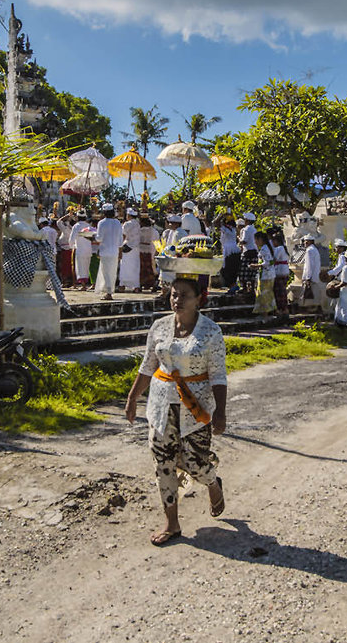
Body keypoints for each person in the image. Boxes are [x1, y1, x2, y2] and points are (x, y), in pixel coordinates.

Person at [124, 276, 227, 546]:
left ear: (199, 299)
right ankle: (172, 523)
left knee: (194, 463)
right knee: (163, 462)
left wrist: (220, 412)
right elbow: (148, 365)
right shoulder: (159, 327)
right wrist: (133, 397)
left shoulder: (211, 332)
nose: (177, 300)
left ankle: (213, 483)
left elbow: (218, 375)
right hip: (159, 405)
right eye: (173, 294)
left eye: (184, 295)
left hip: (196, 408)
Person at [94, 203, 123, 300]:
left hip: (105, 251)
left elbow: (99, 238)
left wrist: (92, 236)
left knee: (105, 272)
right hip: (114, 251)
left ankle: (108, 292)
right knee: (112, 272)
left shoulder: (101, 223)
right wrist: (120, 252)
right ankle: (109, 291)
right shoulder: (118, 223)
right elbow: (120, 240)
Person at [159, 215, 187, 298]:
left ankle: (165, 292)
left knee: (166, 274)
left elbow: (174, 247)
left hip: (175, 258)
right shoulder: (174, 231)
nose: (169, 224)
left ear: (176, 224)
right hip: (173, 256)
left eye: (171, 223)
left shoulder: (178, 233)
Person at [252, 231, 276, 316]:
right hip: (269, 274)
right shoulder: (268, 247)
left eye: (256, 240)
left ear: (260, 239)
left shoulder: (264, 249)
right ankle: (268, 311)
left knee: (264, 294)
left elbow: (267, 262)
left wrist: (256, 265)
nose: (255, 242)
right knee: (268, 293)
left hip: (266, 275)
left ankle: (265, 313)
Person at [118, 207, 142, 292]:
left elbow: (123, 235)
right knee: (135, 267)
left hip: (127, 246)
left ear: (128, 215)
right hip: (136, 248)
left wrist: (119, 246)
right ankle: (136, 286)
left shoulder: (127, 224)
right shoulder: (138, 224)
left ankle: (122, 285)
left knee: (124, 267)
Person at [217, 214, 241, 295]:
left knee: (227, 270)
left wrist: (221, 215)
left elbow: (215, 223)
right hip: (234, 250)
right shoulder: (233, 229)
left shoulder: (226, 229)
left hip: (229, 251)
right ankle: (233, 286)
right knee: (232, 269)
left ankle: (232, 286)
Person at [71, 210, 93, 290]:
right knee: (86, 267)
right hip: (88, 250)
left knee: (81, 268)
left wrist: (72, 246)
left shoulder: (76, 226)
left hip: (80, 249)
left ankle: (83, 285)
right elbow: (92, 237)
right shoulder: (88, 226)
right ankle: (84, 284)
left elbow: (72, 238)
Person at [272, 232, 291, 318]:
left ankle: (281, 309)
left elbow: (274, 259)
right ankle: (284, 309)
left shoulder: (278, 249)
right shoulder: (284, 248)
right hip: (284, 270)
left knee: (279, 291)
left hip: (279, 271)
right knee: (282, 290)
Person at [138, 215, 160, 291]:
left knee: (142, 269)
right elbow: (157, 242)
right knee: (150, 268)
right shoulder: (155, 231)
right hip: (151, 251)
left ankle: (141, 284)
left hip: (142, 251)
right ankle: (152, 284)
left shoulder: (139, 231)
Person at [300, 233, 321, 311]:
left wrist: (308, 278)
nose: (304, 243)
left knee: (310, 294)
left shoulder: (309, 251)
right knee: (314, 294)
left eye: (305, 242)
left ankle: (311, 309)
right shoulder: (314, 249)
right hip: (314, 276)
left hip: (311, 277)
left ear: (310, 242)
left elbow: (309, 265)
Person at [56, 211, 75, 287]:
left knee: (65, 266)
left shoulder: (66, 229)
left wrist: (66, 216)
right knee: (70, 266)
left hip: (66, 249)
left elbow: (58, 222)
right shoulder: (73, 228)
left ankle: (65, 281)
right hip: (71, 249)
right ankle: (71, 282)